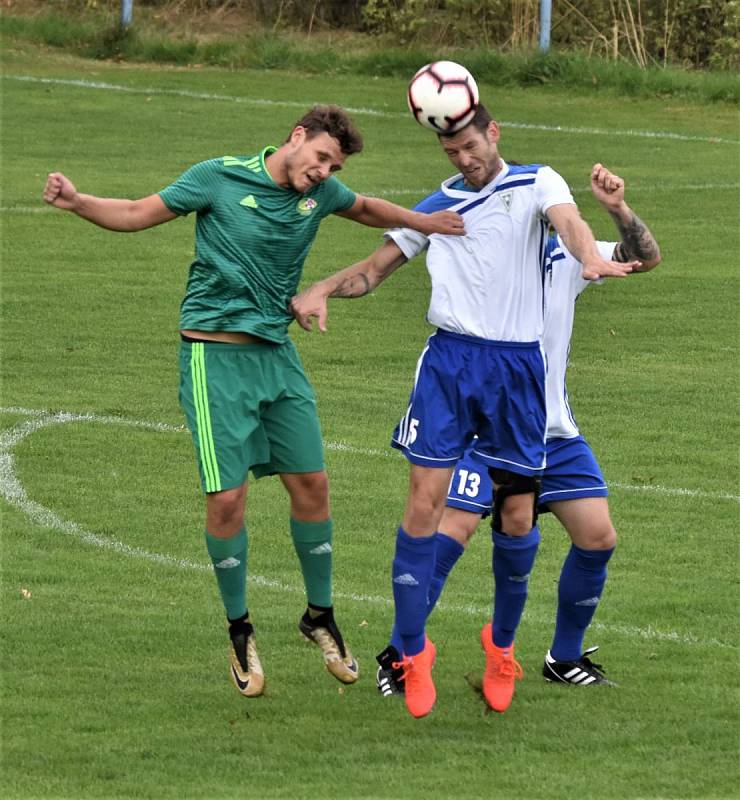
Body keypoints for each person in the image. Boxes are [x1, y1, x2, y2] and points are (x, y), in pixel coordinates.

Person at [42, 105, 466, 699]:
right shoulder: (218, 176)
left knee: (313, 485)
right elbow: (140, 212)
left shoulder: (321, 193)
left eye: (333, 166)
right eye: (320, 158)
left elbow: (367, 208)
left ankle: (319, 616)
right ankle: (240, 628)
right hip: (213, 359)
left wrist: (430, 222)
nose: (323, 172)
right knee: (228, 500)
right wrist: (80, 202)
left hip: (277, 356)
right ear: (296, 138)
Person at [291, 103, 638, 718]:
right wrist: (322, 286)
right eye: (452, 152)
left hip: (518, 373)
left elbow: (570, 223)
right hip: (450, 362)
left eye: (471, 146)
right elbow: (374, 271)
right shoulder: (437, 208)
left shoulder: (537, 183)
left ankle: (502, 647)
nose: (465, 159)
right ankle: (409, 651)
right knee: (428, 506)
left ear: (493, 133)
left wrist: (588, 253)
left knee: (518, 515)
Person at [374, 163, 661, 700]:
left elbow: (641, 256)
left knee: (598, 536)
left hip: (551, 430)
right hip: (487, 430)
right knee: (451, 531)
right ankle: (400, 654)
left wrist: (618, 210)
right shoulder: (491, 253)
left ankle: (564, 657)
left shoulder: (567, 257)